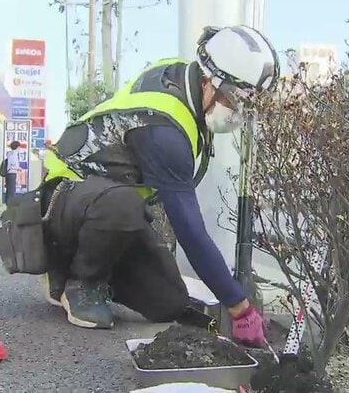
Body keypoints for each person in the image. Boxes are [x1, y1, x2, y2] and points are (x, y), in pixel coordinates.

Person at [37, 25, 279, 348]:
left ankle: (102, 271)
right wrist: (240, 307)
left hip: (103, 203)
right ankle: (77, 280)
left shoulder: (184, 85)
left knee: (169, 301)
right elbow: (191, 233)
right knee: (124, 207)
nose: (238, 114)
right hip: (64, 197)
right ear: (210, 81)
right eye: (236, 101)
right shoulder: (165, 132)